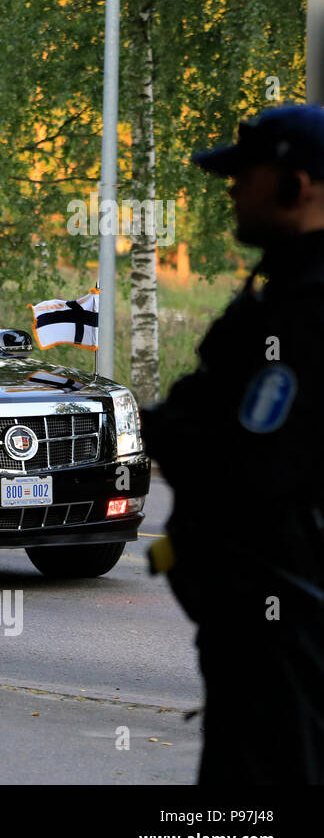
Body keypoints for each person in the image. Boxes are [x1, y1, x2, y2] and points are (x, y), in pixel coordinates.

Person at [141, 103, 324, 783]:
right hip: (256, 626)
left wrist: (177, 432)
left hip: (288, 624)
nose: (232, 191)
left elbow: (254, 465)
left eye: (245, 176)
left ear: (295, 184)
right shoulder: (279, 292)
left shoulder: (308, 311)